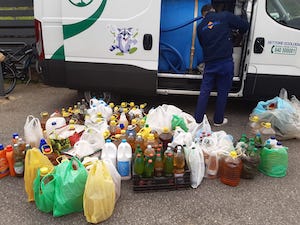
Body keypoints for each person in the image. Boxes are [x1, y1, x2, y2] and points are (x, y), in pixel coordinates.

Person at [194, 4, 249, 126]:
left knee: (205, 91)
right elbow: (245, 26)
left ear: (203, 15)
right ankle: (218, 120)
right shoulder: (225, 16)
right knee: (222, 91)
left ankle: (198, 120)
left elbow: (203, 44)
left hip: (210, 63)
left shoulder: (200, 27)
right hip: (225, 62)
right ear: (213, 9)